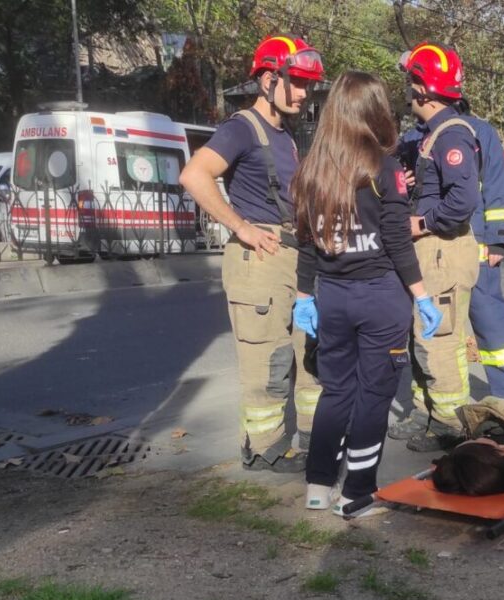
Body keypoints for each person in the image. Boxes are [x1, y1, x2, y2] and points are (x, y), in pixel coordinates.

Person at [289, 71, 443, 515]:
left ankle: (318, 486)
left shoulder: (310, 171)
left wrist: (304, 297)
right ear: (374, 112)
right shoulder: (384, 169)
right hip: (381, 299)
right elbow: (396, 240)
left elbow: (305, 241)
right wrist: (422, 295)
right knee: (373, 395)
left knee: (335, 391)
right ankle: (357, 491)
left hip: (332, 297)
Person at [179, 35, 324, 472]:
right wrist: (240, 226)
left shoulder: (286, 135)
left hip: (291, 256)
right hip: (259, 260)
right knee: (269, 359)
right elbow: (194, 175)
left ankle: (312, 439)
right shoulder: (242, 127)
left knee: (307, 355)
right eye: (295, 82)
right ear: (267, 79)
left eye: (308, 84)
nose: (303, 93)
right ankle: (263, 447)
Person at [397, 96, 504, 400]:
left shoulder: (479, 131)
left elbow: (496, 184)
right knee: (431, 329)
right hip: (430, 248)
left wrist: (497, 239)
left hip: (476, 245)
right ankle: (430, 401)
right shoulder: (414, 137)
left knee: (492, 326)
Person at [386, 42, 483, 453]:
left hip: (442, 249)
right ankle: (428, 414)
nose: (407, 89)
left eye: (411, 80)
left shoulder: (451, 135)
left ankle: (449, 425)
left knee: (438, 340)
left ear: (423, 88)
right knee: (422, 338)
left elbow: (463, 200)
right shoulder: (432, 136)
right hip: (432, 252)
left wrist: (420, 222)